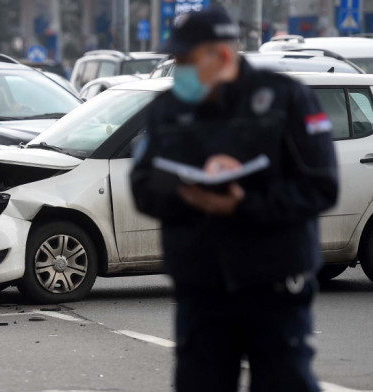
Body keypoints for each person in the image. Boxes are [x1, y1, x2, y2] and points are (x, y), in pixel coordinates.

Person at [130, 7, 338, 392]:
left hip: (274, 282)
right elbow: (143, 187)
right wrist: (187, 194)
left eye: (187, 60)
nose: (180, 70)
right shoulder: (168, 110)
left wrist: (242, 205)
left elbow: (321, 187)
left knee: (284, 383)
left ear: (222, 55)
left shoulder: (285, 99)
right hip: (201, 285)